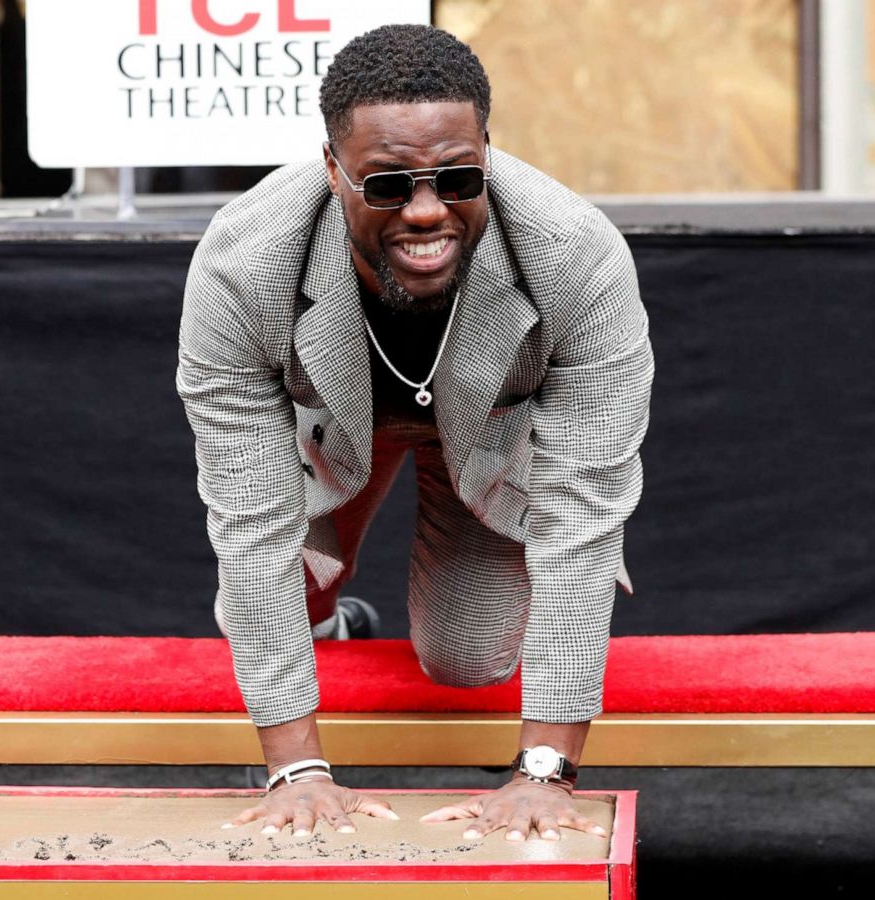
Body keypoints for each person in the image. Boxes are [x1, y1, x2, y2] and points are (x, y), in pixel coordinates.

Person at [176, 24, 653, 844]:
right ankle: (333, 618)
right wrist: (296, 770)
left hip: (487, 438)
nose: (427, 210)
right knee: (269, 594)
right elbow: (249, 524)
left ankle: (395, 610)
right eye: (388, 184)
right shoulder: (241, 266)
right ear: (333, 170)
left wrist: (546, 773)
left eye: (458, 177)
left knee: (468, 663)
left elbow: (583, 516)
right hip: (331, 431)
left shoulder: (576, 256)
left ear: (489, 155)